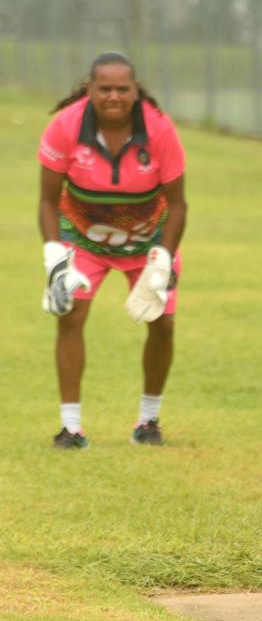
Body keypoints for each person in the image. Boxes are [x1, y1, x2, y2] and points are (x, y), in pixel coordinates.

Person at [38, 51, 188, 449]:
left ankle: (149, 422)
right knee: (71, 315)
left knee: (164, 323)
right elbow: (48, 202)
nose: (114, 97)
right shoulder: (65, 126)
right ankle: (71, 428)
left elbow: (178, 205)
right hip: (82, 235)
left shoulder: (159, 130)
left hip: (149, 240)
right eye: (104, 89)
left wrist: (163, 259)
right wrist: (55, 258)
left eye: (123, 89)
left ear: (136, 91)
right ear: (89, 90)